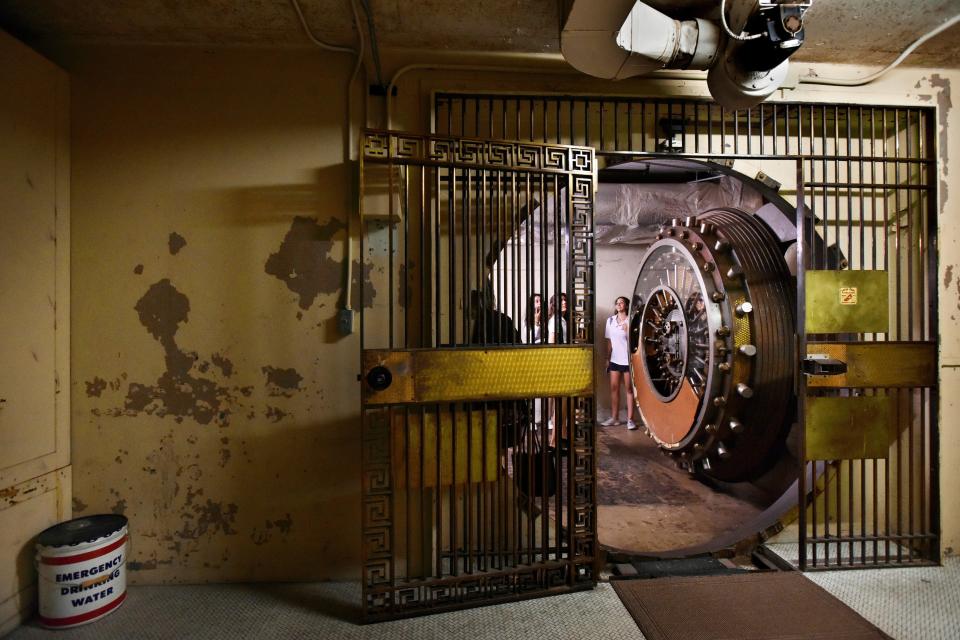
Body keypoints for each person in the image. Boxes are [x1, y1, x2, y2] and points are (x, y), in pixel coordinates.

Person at [603, 296, 636, 430]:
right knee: (614, 389)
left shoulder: (631, 320)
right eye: (617, 303)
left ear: (626, 305)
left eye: (621, 302)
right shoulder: (610, 321)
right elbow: (609, 342)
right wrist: (607, 358)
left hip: (628, 360)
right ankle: (615, 418)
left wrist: (627, 330)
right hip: (615, 360)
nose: (619, 304)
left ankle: (630, 420)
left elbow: (635, 342)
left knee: (629, 389)